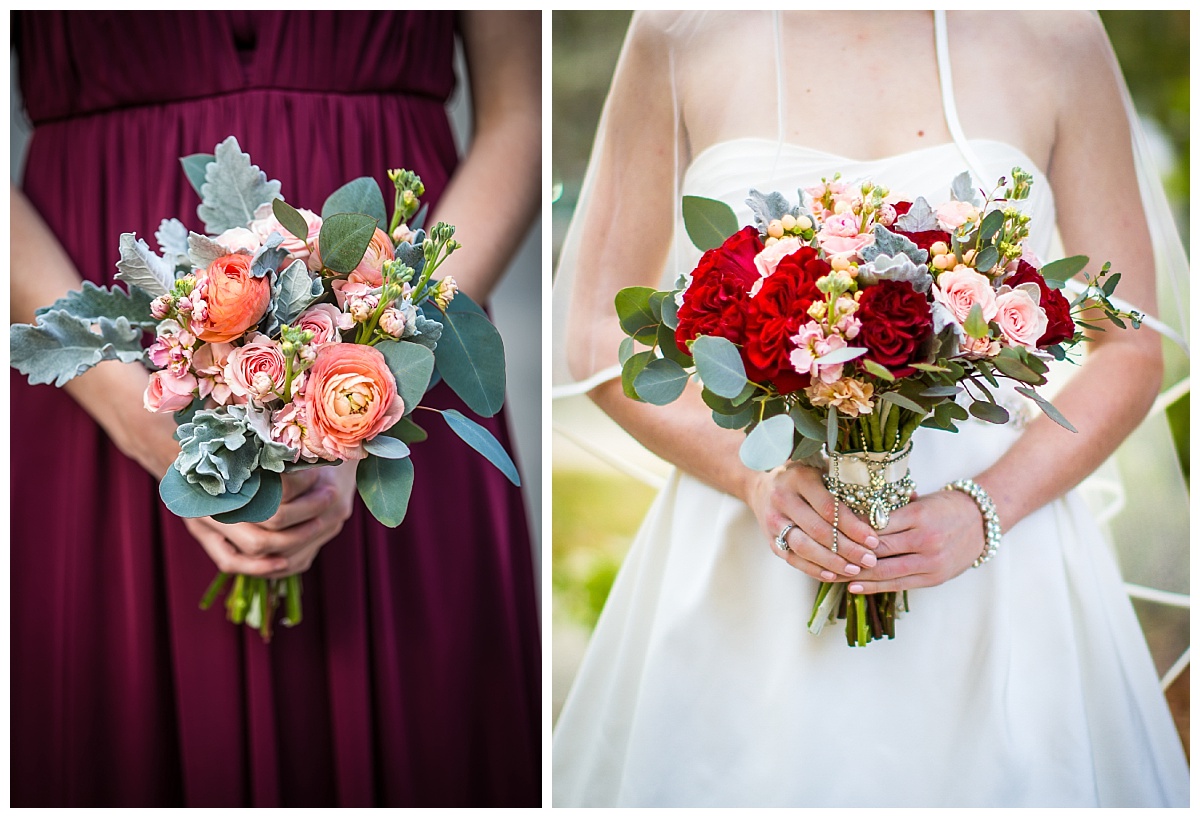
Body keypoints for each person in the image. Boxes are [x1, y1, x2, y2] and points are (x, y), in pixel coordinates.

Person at [552, 10, 1188, 807]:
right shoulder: (681, 28)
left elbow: (1128, 347)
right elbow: (591, 332)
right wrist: (752, 481)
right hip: (759, 553)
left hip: (998, 569)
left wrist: (987, 508)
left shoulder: (1055, 30)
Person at [11, 11, 540, 807]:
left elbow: (523, 116)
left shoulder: (390, 352)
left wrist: (367, 388)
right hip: (99, 366)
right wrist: (139, 414)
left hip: (399, 317)